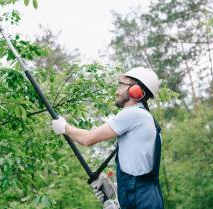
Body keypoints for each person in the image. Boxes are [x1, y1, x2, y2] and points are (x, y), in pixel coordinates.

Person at [51, 67, 164, 209]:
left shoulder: (134, 114)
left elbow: (87, 139)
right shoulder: (146, 119)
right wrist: (116, 189)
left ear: (136, 90)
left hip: (141, 198)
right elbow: (139, 170)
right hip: (143, 196)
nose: (117, 91)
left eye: (121, 84)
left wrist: (64, 127)